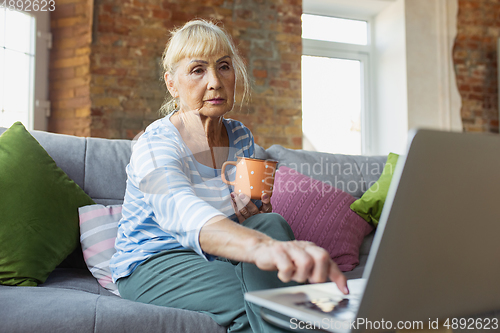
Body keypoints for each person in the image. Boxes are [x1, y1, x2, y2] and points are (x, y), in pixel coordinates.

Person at [109, 19, 348, 333]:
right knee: (267, 303)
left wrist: (255, 206)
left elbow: (251, 214)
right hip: (155, 261)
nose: (215, 82)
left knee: (271, 223)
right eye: (198, 70)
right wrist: (262, 248)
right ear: (172, 83)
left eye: (223, 66)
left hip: (216, 253)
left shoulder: (241, 136)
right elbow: (181, 212)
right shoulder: (156, 144)